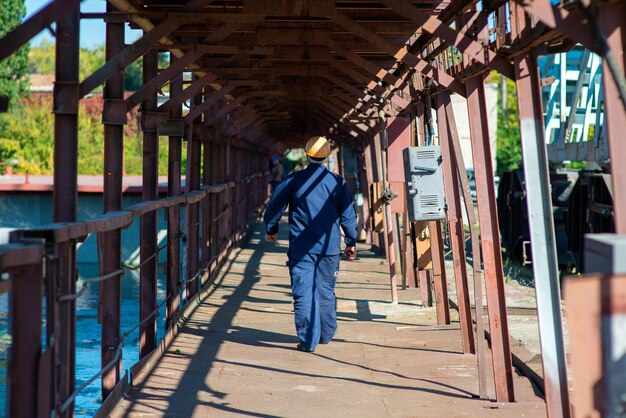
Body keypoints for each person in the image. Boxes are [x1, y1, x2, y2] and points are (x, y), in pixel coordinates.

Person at [263, 136, 358, 353]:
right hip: (329, 248)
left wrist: (271, 229)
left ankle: (308, 341)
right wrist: (351, 241)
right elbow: (349, 216)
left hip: (301, 248)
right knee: (325, 291)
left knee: (303, 293)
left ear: (307, 155)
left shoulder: (293, 179)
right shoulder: (338, 183)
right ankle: (326, 334)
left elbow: (275, 205)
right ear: (326, 157)